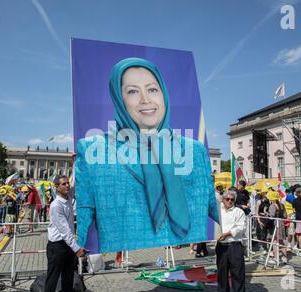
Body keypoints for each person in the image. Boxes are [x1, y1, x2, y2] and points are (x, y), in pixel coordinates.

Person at [75, 58, 219, 253]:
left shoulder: (195, 150)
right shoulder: (93, 149)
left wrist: (234, 228)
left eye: (152, 89)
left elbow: (212, 204)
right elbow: (85, 208)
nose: (146, 99)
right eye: (133, 91)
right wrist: (77, 246)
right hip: (127, 265)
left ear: (163, 94)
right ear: (119, 98)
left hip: (182, 253)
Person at [44, 175, 87, 292]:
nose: (67, 185)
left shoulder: (68, 198)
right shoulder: (56, 205)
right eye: (63, 184)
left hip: (68, 245)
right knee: (52, 279)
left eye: (67, 183)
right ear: (57, 187)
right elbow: (64, 230)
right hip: (57, 246)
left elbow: (75, 178)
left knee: (68, 278)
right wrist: (77, 249)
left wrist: (76, 159)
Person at [216, 190, 246, 292]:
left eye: (232, 199)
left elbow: (241, 227)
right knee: (222, 273)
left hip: (235, 245)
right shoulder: (218, 211)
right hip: (221, 246)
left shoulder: (239, 211)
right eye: (227, 199)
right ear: (223, 199)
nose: (230, 201)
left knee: (238, 273)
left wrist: (228, 233)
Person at [267, 191, 288, 263]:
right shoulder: (282, 205)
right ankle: (284, 257)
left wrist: (266, 213)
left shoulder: (272, 205)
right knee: (281, 241)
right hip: (281, 223)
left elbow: (271, 216)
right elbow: (285, 216)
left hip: (275, 224)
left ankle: (276, 258)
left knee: (275, 241)